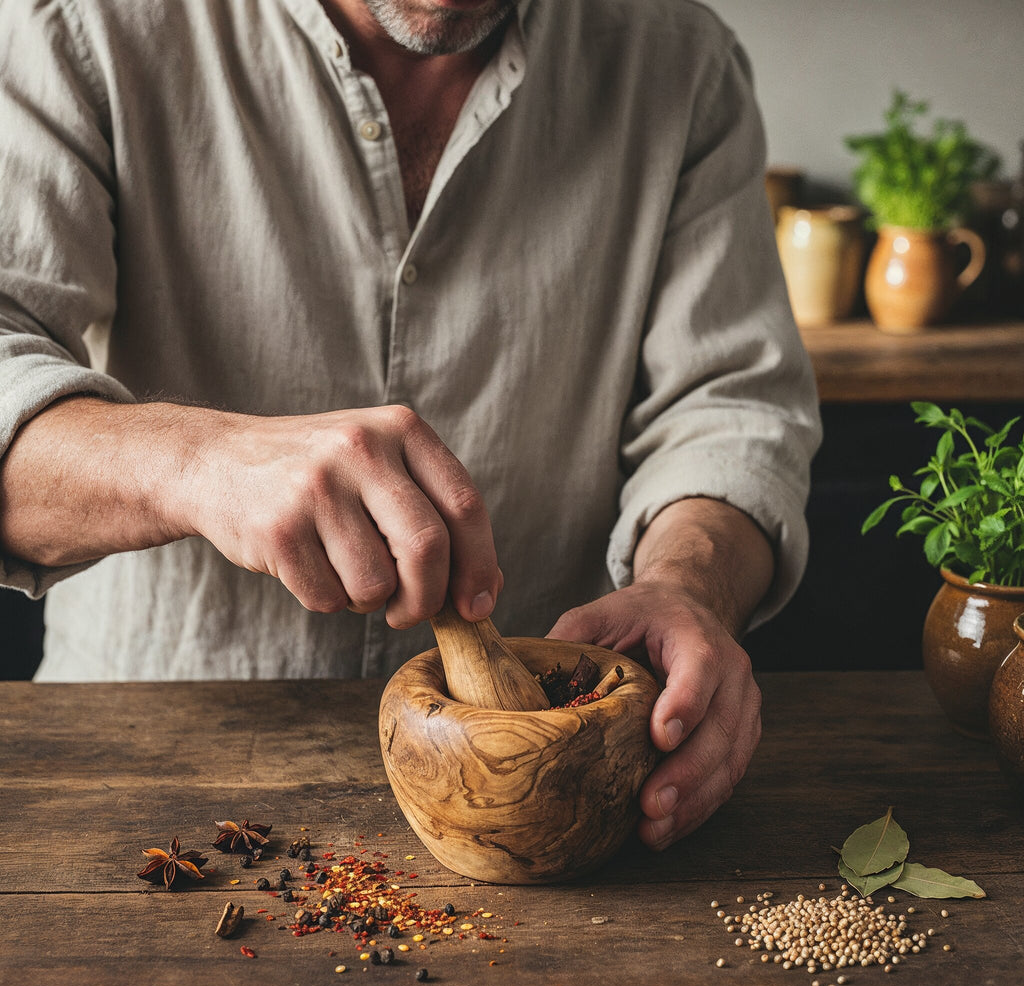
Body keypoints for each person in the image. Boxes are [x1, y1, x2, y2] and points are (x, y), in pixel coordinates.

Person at [0, 0, 821, 851]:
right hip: (148, 798)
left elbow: (728, 409)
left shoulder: (680, 62)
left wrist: (690, 585)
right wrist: (199, 463)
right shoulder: (83, 25)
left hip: (546, 810)